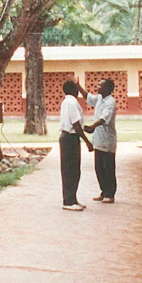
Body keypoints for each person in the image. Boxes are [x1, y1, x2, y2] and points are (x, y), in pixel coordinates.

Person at [81, 78, 118, 203]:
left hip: (107, 140)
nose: (97, 87)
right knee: (99, 168)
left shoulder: (110, 102)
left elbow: (104, 118)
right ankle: (104, 191)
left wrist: (92, 126)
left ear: (108, 88)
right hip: (98, 139)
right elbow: (87, 96)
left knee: (108, 168)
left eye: (100, 85)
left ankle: (110, 194)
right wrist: (77, 85)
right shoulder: (99, 99)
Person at [59, 79, 93, 211]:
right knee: (70, 170)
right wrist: (87, 141)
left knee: (73, 170)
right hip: (70, 138)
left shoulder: (66, 101)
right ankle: (68, 201)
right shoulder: (72, 102)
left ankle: (72, 198)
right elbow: (76, 124)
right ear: (74, 90)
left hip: (68, 137)